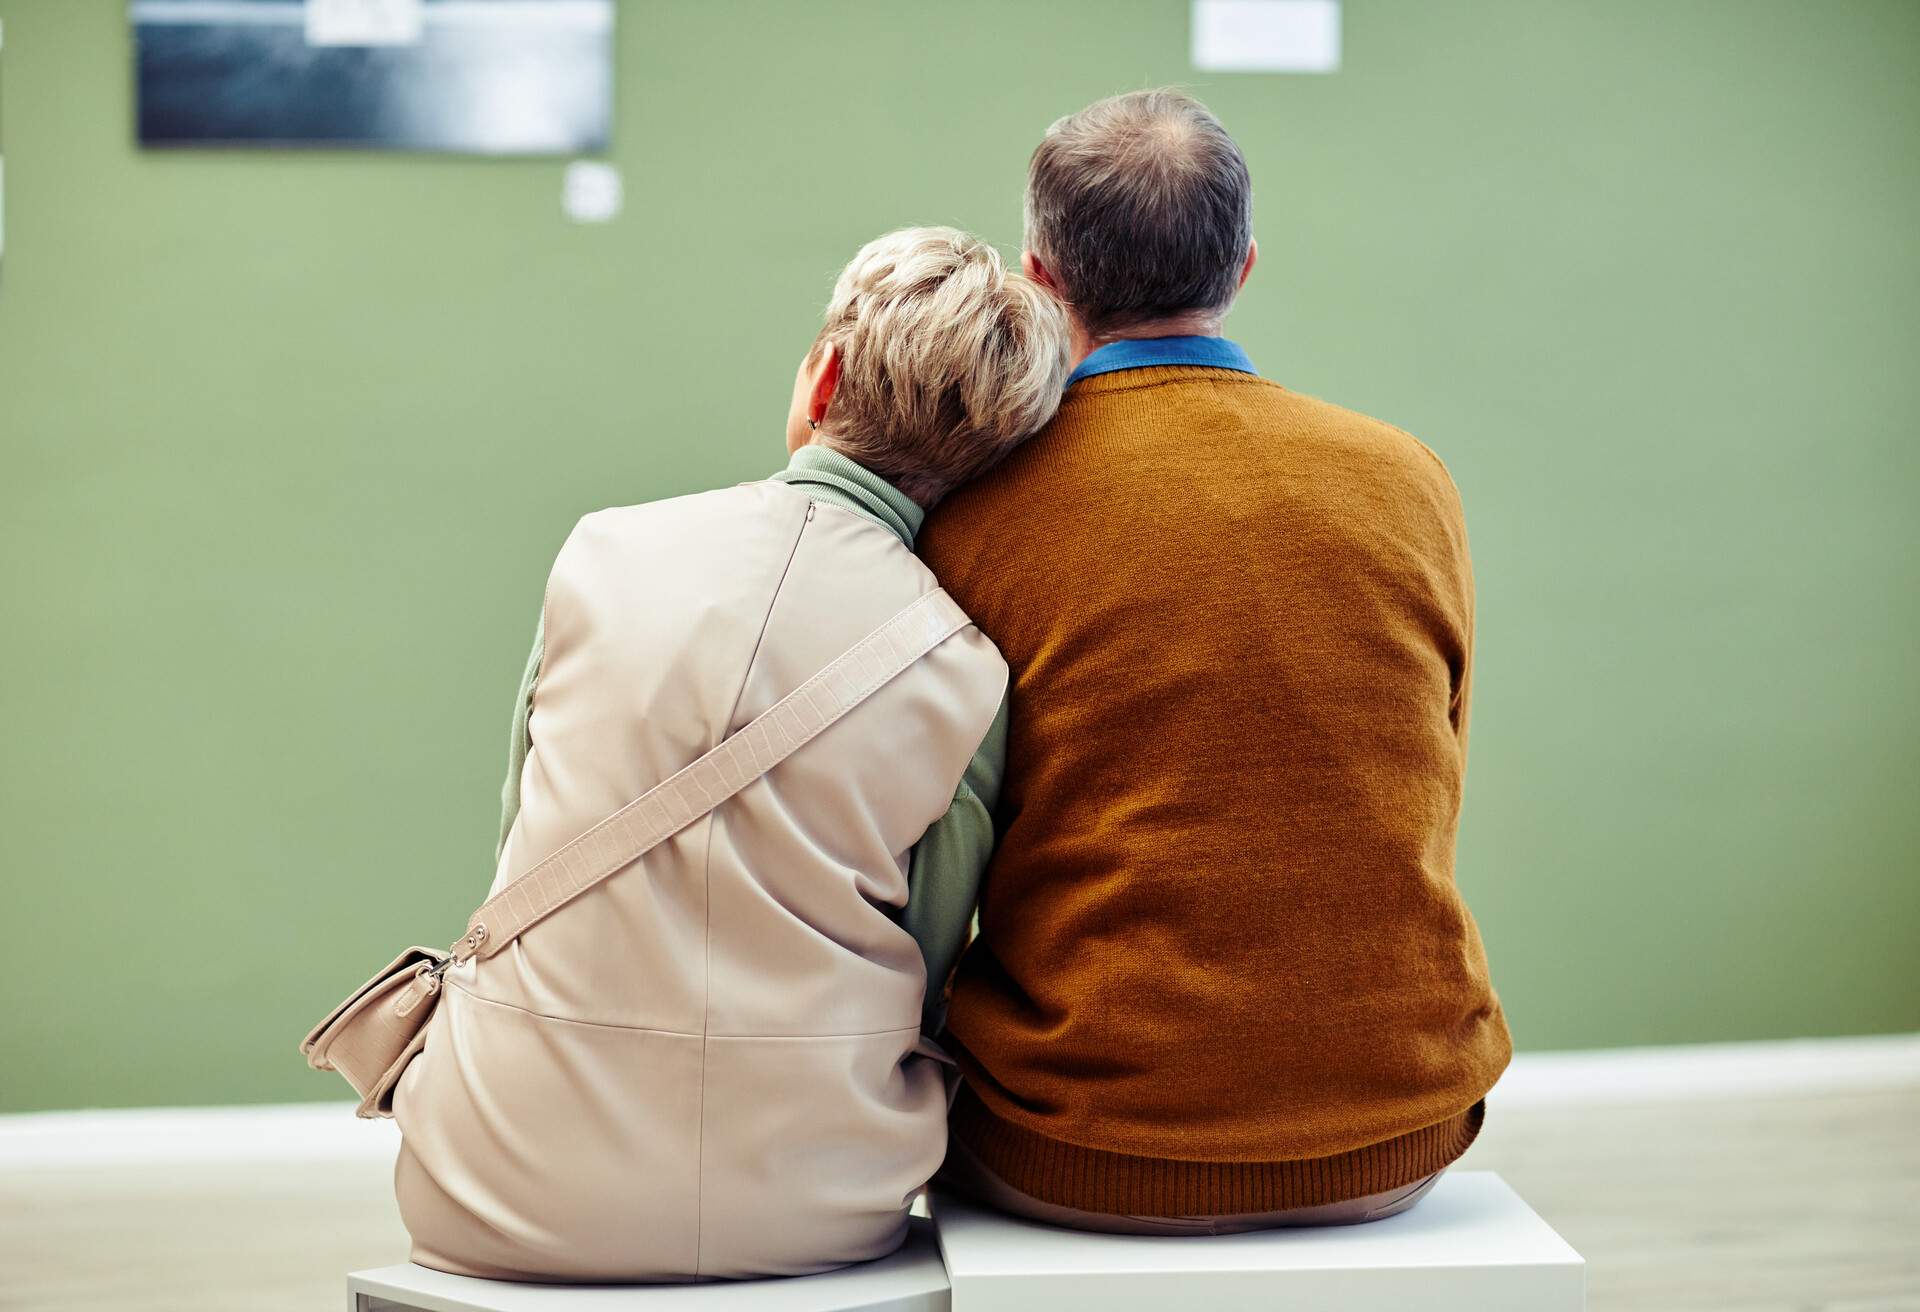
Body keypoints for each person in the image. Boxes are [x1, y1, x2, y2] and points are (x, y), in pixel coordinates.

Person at [389, 227, 1067, 1281]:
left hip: (499, 1180)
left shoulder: (604, 552)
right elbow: (927, 971)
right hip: (819, 1201)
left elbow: (521, 838)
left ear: (826, 373)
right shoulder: (965, 670)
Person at [919, 90, 1513, 1235]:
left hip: (1073, 1149)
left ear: (1040, 277)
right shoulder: (1408, 479)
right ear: (1242, 265)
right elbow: (1432, 778)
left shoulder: (975, 509)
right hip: (1400, 1132)